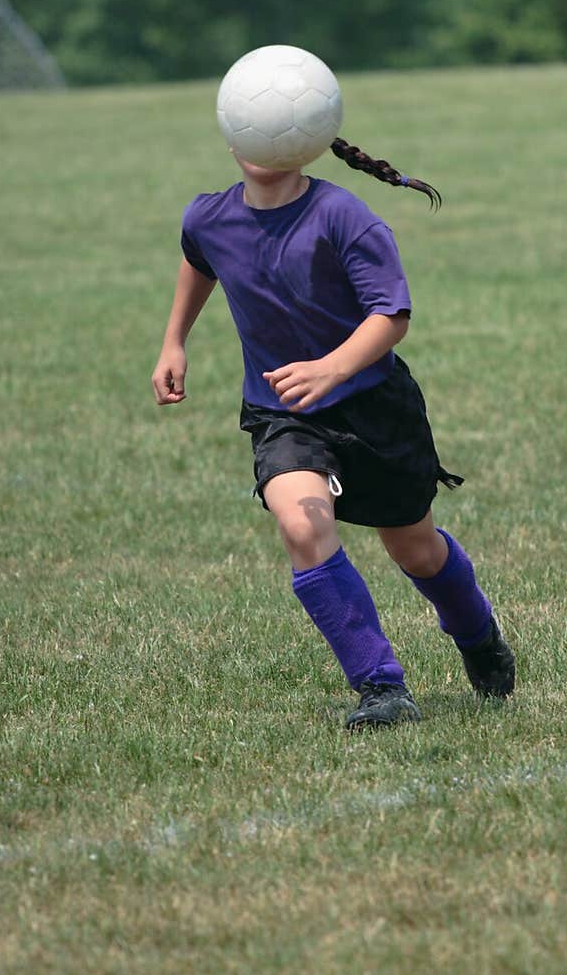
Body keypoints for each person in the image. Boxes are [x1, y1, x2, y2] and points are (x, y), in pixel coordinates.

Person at [152, 128, 515, 729]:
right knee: (301, 523)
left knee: (416, 550)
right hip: (282, 411)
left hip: (374, 407)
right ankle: (381, 687)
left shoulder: (343, 215)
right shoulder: (209, 216)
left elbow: (391, 315)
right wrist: (173, 341)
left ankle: (477, 634)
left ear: (307, 140)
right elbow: (199, 259)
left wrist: (332, 367)